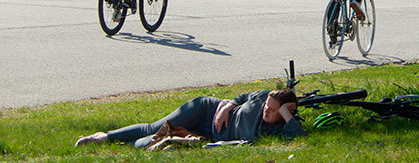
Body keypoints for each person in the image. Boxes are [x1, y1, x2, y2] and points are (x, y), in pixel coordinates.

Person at [75, 88, 305, 148]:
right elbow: (243, 96)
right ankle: (104, 137)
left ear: (287, 111)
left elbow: (299, 136)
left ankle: (127, 142)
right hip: (207, 110)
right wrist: (228, 106)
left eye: (273, 110)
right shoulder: (263, 96)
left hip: (209, 134)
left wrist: (286, 114)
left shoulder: (278, 130)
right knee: (156, 126)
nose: (266, 111)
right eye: (267, 106)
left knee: (155, 139)